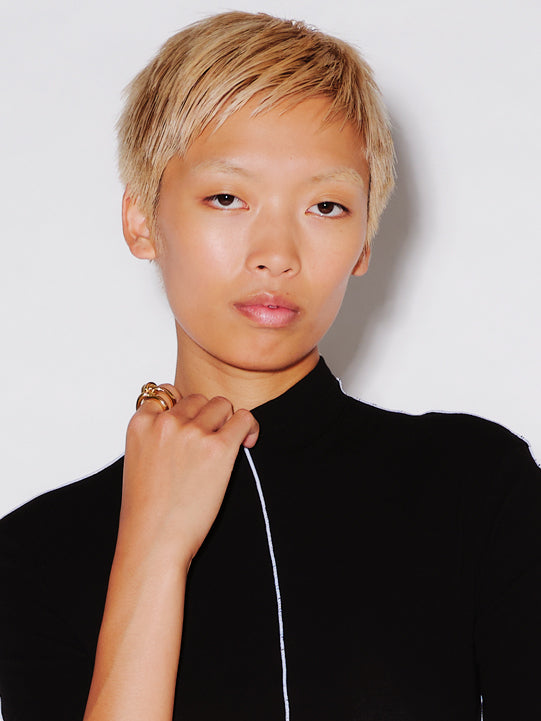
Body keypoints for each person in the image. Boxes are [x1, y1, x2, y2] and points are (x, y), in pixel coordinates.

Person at [0, 10, 540, 721]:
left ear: (364, 242)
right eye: (227, 198)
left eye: (326, 205)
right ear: (141, 221)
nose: (277, 253)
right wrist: (152, 551)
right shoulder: (35, 551)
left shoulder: (475, 484)